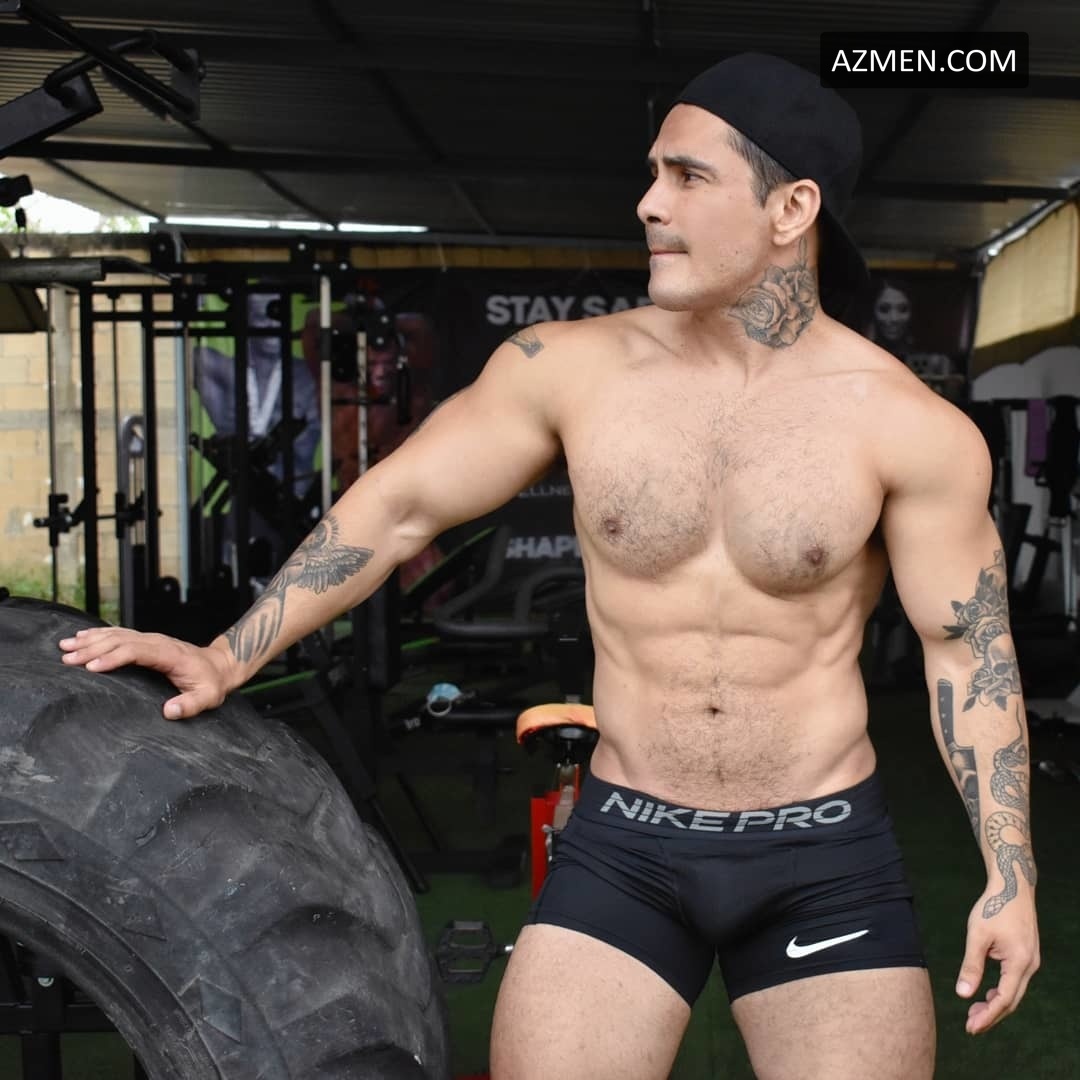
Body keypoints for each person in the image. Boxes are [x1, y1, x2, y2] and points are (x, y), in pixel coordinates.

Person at [59, 52, 1038, 1080]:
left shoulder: (905, 425)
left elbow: (967, 652)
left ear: (792, 208)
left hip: (822, 851)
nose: (649, 203)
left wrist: (1009, 876)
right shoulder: (569, 368)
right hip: (627, 843)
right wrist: (226, 655)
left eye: (688, 177)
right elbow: (397, 509)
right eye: (652, 173)